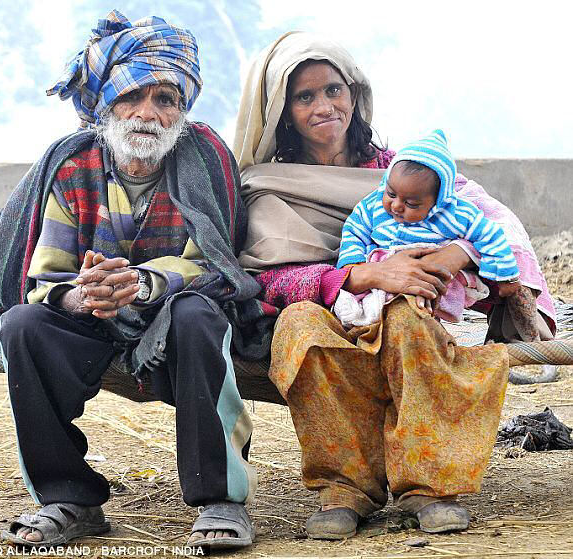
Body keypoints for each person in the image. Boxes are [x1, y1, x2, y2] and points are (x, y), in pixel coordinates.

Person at [0, 10, 258, 550]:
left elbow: (212, 263)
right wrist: (78, 294)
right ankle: (69, 499)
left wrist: (144, 283)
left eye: (165, 100)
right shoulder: (73, 165)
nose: (146, 114)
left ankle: (220, 498)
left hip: (173, 317)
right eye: (131, 98)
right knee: (22, 324)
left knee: (199, 314)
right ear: (107, 105)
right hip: (92, 319)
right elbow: (48, 272)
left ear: (183, 109)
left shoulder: (206, 158)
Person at [233, 31, 556, 540]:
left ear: (355, 95)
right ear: (282, 111)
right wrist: (363, 274)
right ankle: (344, 488)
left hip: (416, 310)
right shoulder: (267, 183)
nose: (324, 106)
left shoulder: (401, 169)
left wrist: (460, 254)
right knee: (298, 326)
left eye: (334, 90)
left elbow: (493, 225)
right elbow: (265, 279)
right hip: (337, 308)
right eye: (305, 96)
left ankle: (425, 487)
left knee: (407, 316)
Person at [335, 128, 534, 330]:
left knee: (424, 303)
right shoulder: (373, 206)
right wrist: (354, 262)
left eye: (411, 203)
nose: (396, 206)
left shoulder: (454, 215)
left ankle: (426, 321)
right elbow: (354, 229)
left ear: (438, 201)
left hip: (432, 275)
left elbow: (490, 235)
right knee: (357, 304)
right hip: (383, 267)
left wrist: (505, 276)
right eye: (391, 194)